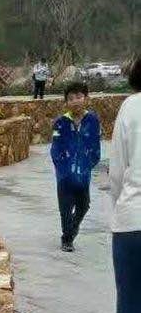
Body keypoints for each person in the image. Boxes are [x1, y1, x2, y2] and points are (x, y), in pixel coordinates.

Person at [101, 55, 141, 313]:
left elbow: (117, 170)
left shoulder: (131, 107)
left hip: (133, 218)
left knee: (130, 295)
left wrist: (119, 207)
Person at [50, 81, 102, 252]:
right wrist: (62, 168)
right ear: (66, 102)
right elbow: (55, 149)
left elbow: (95, 145)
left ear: (86, 98)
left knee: (83, 205)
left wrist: (90, 163)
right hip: (65, 175)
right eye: (71, 98)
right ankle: (67, 239)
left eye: (79, 97)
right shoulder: (61, 122)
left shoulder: (92, 120)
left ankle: (73, 228)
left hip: (83, 174)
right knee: (65, 208)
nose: (75, 101)